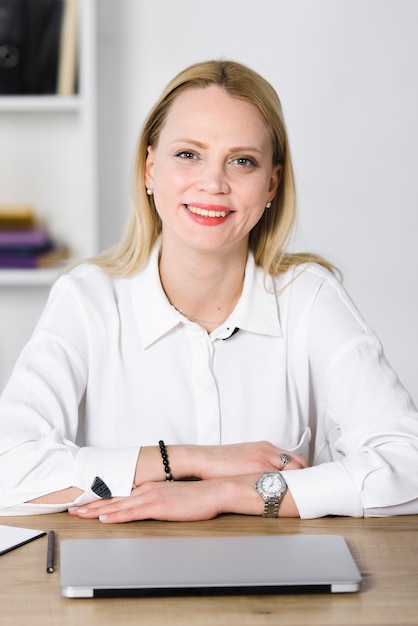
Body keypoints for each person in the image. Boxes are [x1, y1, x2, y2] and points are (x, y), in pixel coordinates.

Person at [1, 60, 417, 522]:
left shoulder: (310, 299)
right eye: (188, 154)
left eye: (243, 161)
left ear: (271, 184)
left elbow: (407, 464)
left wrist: (226, 493)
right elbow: (8, 469)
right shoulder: (86, 300)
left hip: (278, 586)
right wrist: (191, 460)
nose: (214, 183)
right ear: (149, 169)